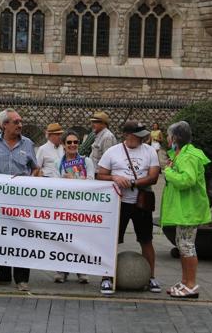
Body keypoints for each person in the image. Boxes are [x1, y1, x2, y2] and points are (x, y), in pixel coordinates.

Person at [97, 120, 160, 295]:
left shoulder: (150, 151)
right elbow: (100, 175)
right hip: (119, 202)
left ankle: (151, 276)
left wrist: (132, 182)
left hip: (141, 201)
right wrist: (115, 178)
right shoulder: (112, 152)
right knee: (112, 241)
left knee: (146, 240)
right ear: (126, 135)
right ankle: (106, 277)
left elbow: (153, 177)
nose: (141, 139)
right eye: (137, 135)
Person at [0, 108, 38, 292]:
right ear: (5, 124)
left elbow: (35, 168)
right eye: (16, 122)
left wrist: (30, 180)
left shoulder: (28, 144)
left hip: (21, 202)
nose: (20, 125)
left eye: (21, 122)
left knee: (22, 238)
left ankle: (21, 278)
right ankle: (3, 274)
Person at [161, 121, 212, 298]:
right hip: (183, 209)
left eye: (168, 135)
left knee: (187, 246)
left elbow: (187, 180)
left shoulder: (189, 156)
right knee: (182, 245)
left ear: (175, 137)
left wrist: (168, 172)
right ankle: (184, 281)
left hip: (189, 209)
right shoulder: (179, 154)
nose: (167, 138)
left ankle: (191, 284)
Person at [50, 130, 94, 284]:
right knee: (62, 239)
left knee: (81, 240)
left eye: (75, 142)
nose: (73, 145)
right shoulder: (57, 163)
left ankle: (81, 270)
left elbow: (91, 182)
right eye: (69, 142)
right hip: (64, 207)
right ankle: (61, 270)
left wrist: (73, 178)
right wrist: (64, 180)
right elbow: (55, 184)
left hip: (82, 207)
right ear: (63, 145)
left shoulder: (87, 162)